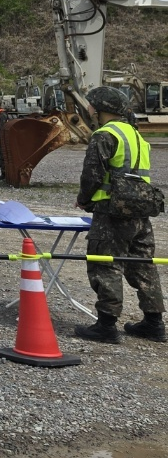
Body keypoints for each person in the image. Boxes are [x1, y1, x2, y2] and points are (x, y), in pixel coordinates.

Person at [72, 86, 164, 344]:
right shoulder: (136, 136)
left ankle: (106, 326)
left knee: (105, 264)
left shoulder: (104, 135)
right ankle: (154, 323)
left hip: (112, 211)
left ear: (103, 109)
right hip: (140, 211)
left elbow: (92, 174)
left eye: (92, 105)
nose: (89, 109)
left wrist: (83, 200)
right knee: (143, 266)